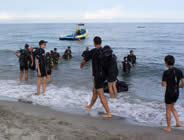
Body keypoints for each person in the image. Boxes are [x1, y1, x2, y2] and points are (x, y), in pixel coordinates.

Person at [80, 36, 112, 118]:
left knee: (101, 95)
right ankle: (89, 106)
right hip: (103, 76)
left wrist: (81, 65)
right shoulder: (104, 51)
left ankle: (108, 113)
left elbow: (84, 60)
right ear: (100, 42)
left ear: (94, 43)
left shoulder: (93, 51)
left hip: (97, 76)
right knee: (94, 91)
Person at [162, 55, 184, 132]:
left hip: (169, 92)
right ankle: (178, 122)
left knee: (168, 109)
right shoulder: (179, 71)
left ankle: (168, 127)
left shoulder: (166, 72)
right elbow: (183, 82)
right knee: (172, 107)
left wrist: (163, 82)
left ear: (166, 63)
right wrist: (180, 86)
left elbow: (163, 84)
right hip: (176, 92)